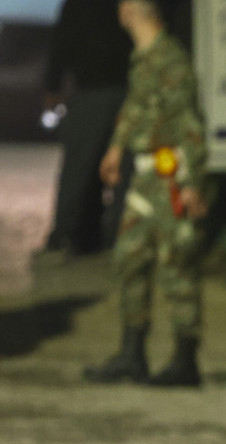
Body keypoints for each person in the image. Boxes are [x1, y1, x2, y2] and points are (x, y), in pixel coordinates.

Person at [85, 0, 208, 387]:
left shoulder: (170, 59)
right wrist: (117, 147)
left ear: (137, 9)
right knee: (129, 257)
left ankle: (185, 359)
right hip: (143, 176)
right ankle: (132, 352)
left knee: (177, 263)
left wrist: (192, 183)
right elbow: (138, 108)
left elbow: (189, 123)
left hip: (170, 174)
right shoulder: (143, 58)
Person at [39, 0, 132, 260]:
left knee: (80, 168)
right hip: (126, 88)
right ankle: (112, 237)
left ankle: (69, 237)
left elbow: (62, 39)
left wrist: (52, 86)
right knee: (122, 171)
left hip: (94, 88)